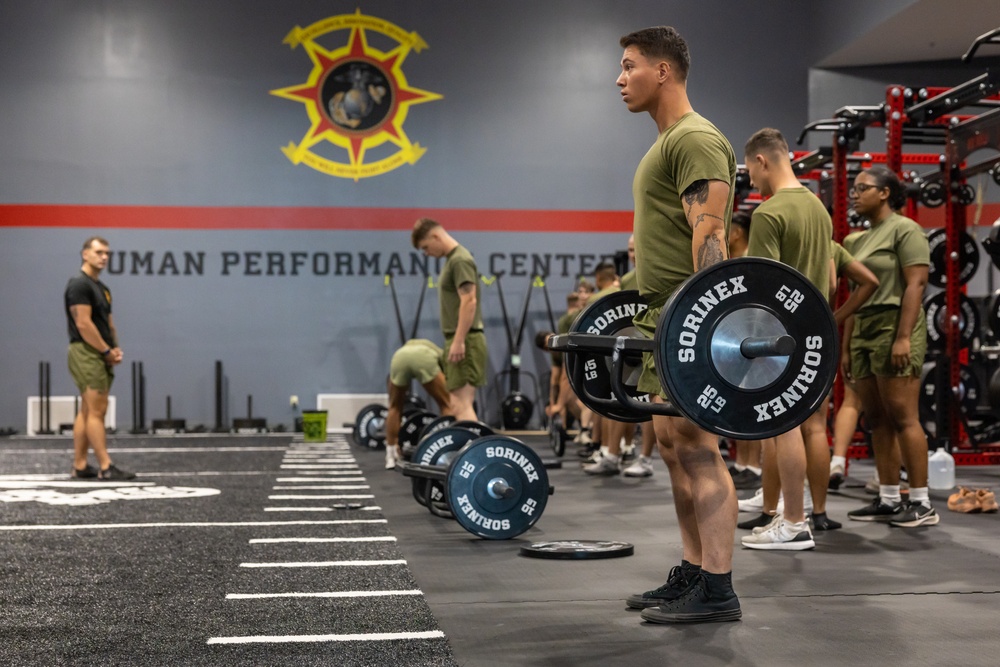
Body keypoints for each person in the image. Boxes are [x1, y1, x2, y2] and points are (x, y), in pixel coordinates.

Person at [615, 26, 741, 623]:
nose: (620, 78)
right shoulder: (664, 144)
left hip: (686, 313)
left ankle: (718, 588)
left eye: (629, 65)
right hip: (661, 315)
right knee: (671, 446)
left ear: (662, 71)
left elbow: (709, 233)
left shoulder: (694, 139)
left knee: (698, 448)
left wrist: (705, 324)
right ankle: (693, 569)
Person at [737, 128, 834, 551]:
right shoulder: (819, 209)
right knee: (800, 424)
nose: (752, 183)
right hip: (815, 329)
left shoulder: (769, 213)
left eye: (751, 172)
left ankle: (793, 522)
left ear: (761, 161)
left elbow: (762, 288)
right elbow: (829, 279)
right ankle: (787, 515)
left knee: (785, 424)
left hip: (781, 337)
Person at [843, 166, 935, 527]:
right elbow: (853, 294)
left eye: (862, 188)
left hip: (896, 324)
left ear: (884, 193)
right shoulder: (855, 241)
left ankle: (922, 502)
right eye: (853, 188)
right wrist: (847, 346)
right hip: (864, 327)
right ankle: (888, 497)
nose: (855, 194)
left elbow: (916, 285)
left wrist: (902, 336)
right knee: (876, 418)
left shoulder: (905, 229)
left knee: (902, 416)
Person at [64, 236, 134, 481]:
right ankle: (106, 466)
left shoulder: (102, 288)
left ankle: (80, 465)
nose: (104, 256)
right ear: (85, 254)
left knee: (87, 410)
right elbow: (83, 324)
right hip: (86, 352)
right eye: (99, 252)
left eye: (107, 253)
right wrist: (105, 350)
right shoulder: (79, 284)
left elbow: (109, 324)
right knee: (97, 410)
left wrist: (114, 349)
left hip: (101, 353)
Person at [412, 219, 488, 422]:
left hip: (465, 340)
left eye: (426, 247)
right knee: (459, 404)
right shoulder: (452, 260)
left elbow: (469, 301)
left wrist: (459, 340)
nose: (427, 253)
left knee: (459, 404)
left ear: (435, 236)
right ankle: (470, 451)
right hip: (461, 338)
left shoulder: (460, 260)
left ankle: (474, 454)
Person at [725, 211, 763, 490]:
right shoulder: (730, 263)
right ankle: (742, 463)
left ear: (737, 233)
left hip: (754, 340)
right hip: (735, 341)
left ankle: (754, 465)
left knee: (752, 403)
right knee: (740, 403)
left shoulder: (751, 259)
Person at [619, 234, 656, 479]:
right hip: (631, 347)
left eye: (636, 249)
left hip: (651, 343)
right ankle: (620, 449)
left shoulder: (655, 274)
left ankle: (645, 458)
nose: (633, 255)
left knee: (652, 401)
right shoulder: (626, 280)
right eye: (630, 250)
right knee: (624, 399)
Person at [384, 338, 453, 469]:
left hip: (399, 358)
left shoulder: (406, 348)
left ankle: (390, 456)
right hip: (423, 359)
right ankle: (447, 447)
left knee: (394, 407)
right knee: (446, 404)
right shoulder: (441, 354)